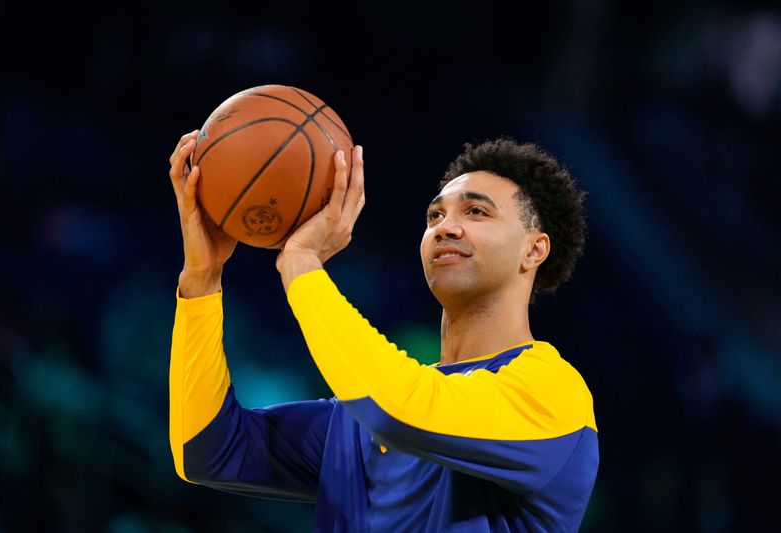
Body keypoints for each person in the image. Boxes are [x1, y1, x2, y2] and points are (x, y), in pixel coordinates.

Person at [167, 131, 599, 532]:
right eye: (435, 215)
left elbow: (401, 410)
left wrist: (301, 262)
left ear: (534, 249)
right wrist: (202, 282)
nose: (444, 227)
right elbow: (206, 450)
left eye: (476, 211)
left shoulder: (552, 392)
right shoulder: (361, 417)